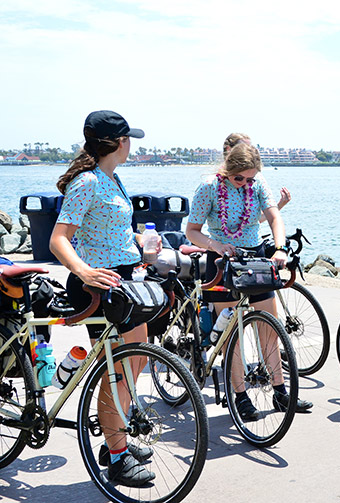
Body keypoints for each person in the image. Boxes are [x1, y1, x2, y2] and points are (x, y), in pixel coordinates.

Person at [49, 110, 156, 486]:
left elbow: (112, 231)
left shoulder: (113, 178)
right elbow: (58, 238)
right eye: (129, 139)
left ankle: (117, 434)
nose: (132, 145)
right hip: (97, 286)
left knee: (136, 360)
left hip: (125, 280)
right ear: (119, 142)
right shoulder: (87, 182)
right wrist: (82, 271)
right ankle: (116, 455)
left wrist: (141, 246)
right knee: (117, 373)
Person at [185, 141, 312, 419]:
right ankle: (240, 397)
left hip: (255, 262)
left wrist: (279, 249)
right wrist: (215, 245)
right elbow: (191, 231)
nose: (244, 183)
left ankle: (280, 392)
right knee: (233, 335)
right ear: (227, 169)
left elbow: (274, 217)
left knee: (269, 329)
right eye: (238, 177)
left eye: (250, 178)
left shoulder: (257, 184)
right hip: (221, 263)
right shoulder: (208, 187)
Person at [222, 133, 291, 222]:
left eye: (250, 147)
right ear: (229, 150)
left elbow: (255, 221)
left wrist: (279, 205)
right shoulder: (213, 182)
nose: (249, 151)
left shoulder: (257, 179)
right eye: (243, 147)